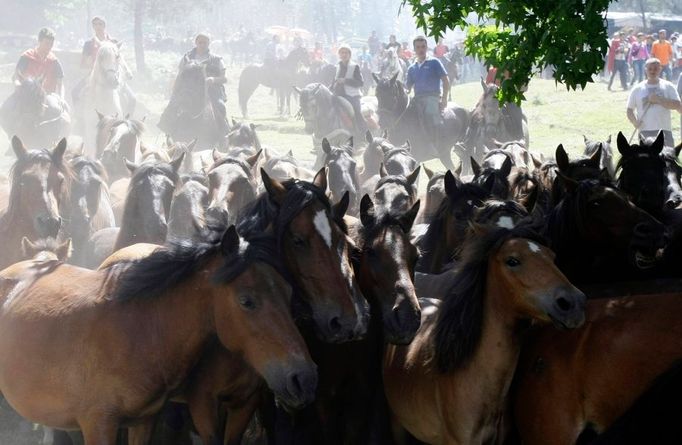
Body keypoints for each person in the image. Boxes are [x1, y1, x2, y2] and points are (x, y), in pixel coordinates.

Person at [405, 36, 450, 154]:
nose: (421, 49)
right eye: (418, 47)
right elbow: (408, 88)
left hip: (432, 97)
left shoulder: (434, 62)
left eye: (423, 47)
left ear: (426, 47)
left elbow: (446, 81)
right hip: (417, 99)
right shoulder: (411, 68)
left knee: (429, 115)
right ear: (414, 49)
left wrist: (444, 98)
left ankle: (434, 145)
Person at [179, 33, 229, 137]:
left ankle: (223, 134)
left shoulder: (216, 59)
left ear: (209, 43)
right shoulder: (186, 58)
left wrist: (213, 79)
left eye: (205, 42)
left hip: (211, 91)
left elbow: (224, 78)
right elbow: (180, 75)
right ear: (196, 43)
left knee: (220, 106)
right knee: (174, 106)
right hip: (189, 91)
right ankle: (170, 132)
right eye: (200, 42)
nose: (202, 45)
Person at [627, 58, 681, 147]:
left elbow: (677, 105)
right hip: (645, 131)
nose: (652, 71)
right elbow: (629, 110)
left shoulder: (668, 86)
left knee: (667, 159)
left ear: (660, 69)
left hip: (664, 130)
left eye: (655, 69)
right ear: (645, 70)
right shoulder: (637, 89)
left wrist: (659, 100)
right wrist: (634, 121)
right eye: (650, 69)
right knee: (647, 160)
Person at [14, 28, 64, 99]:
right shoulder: (27, 56)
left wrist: (61, 97)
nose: (49, 47)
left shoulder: (54, 61)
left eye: (51, 44)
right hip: (26, 94)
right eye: (47, 43)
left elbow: (60, 83)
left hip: (47, 96)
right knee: (9, 106)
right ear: (39, 41)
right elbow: (16, 75)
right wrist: (17, 83)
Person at [333, 44, 366, 135]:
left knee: (356, 112)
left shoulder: (354, 66)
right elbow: (334, 81)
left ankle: (363, 134)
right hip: (338, 95)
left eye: (346, 53)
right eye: (342, 53)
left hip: (352, 96)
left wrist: (345, 81)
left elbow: (360, 83)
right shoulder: (338, 66)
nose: (344, 55)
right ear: (339, 54)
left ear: (349, 54)